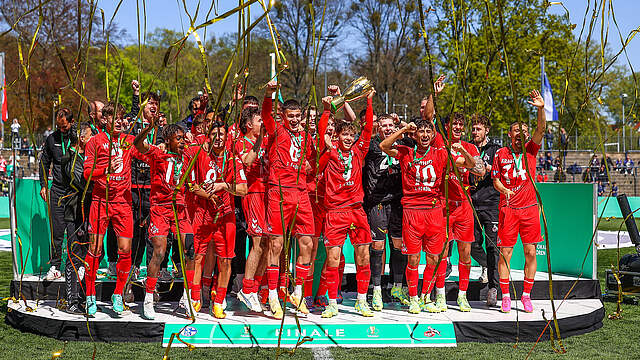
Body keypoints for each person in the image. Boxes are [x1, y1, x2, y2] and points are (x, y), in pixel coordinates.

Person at [380, 119, 453, 313]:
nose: (425, 135)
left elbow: (471, 165)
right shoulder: (406, 152)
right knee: (412, 259)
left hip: (434, 211)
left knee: (433, 258)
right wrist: (403, 129)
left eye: (429, 131)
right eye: (421, 131)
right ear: (415, 134)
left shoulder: (441, 153)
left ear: (434, 134)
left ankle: (425, 297)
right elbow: (384, 145)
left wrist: (462, 151)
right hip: (412, 212)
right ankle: (413, 298)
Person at [316, 89, 375, 318]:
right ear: (337, 137)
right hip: (335, 212)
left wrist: (369, 101)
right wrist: (327, 109)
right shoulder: (330, 153)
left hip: (356, 211)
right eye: (345, 135)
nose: (349, 139)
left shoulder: (359, 151)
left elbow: (368, 128)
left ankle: (361, 301)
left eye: (352, 135)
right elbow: (323, 131)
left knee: (363, 256)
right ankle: (332, 303)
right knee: (333, 258)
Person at [262, 80, 317, 319]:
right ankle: (273, 296)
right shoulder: (277, 130)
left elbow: (313, 163)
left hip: (301, 193)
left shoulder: (307, 137)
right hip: (279, 191)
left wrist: (309, 166)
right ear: (283, 116)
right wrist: (268, 94)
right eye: (290, 115)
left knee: (307, 243)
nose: (294, 119)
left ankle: (298, 293)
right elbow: (265, 114)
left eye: (297, 116)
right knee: (276, 245)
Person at [82, 102, 142, 316]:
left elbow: (145, 153)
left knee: (125, 250)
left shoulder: (128, 141)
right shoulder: (95, 142)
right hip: (100, 202)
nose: (118, 121)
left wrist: (158, 147)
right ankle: (90, 295)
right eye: (114, 118)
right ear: (104, 120)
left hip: (123, 203)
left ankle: (118, 294)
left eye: (121, 118)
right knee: (95, 250)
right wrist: (105, 169)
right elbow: (87, 173)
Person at [133, 119, 194, 320]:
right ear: (167, 140)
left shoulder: (187, 156)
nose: (183, 142)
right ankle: (148, 298)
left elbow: (206, 145)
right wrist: (149, 130)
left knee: (191, 250)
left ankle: (187, 298)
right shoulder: (158, 154)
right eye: (179, 139)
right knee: (159, 251)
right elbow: (137, 145)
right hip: (160, 209)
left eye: (184, 139)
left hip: (180, 209)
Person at [491, 89, 546, 313]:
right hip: (508, 209)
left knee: (531, 252)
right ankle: (505, 296)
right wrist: (503, 189)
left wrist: (541, 109)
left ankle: (525, 295)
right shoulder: (500, 153)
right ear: (510, 133)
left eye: (524, 130)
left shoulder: (531, 150)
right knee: (505, 254)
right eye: (517, 130)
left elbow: (541, 128)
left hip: (530, 209)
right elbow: (495, 180)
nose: (521, 133)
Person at [186, 121, 247, 319]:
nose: (218, 137)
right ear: (208, 137)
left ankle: (219, 302)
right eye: (214, 134)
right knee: (197, 258)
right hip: (202, 214)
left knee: (226, 260)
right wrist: (208, 195)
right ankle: (195, 299)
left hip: (226, 215)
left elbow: (243, 189)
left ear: (228, 137)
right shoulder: (200, 155)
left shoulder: (233, 160)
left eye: (222, 134)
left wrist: (223, 186)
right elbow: (191, 185)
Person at [432, 112, 483, 312]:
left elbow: (479, 170)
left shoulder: (469, 147)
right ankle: (440, 295)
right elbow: (429, 117)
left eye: (461, 124)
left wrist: (463, 152)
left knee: (465, 252)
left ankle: (462, 295)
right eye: (454, 124)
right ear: (446, 126)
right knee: (442, 252)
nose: (458, 127)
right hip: (443, 204)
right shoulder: (440, 143)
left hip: (464, 205)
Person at [362, 112, 410, 310]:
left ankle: (398, 287)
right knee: (378, 246)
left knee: (398, 245)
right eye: (384, 126)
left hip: (398, 200)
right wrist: (399, 130)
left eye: (391, 125)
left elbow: (416, 129)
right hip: (378, 201)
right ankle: (377, 290)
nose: (389, 128)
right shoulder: (372, 145)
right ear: (377, 128)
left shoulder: (404, 145)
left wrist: (401, 125)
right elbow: (383, 144)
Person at [235, 107, 268, 313]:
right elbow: (247, 161)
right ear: (249, 125)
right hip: (253, 194)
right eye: (259, 120)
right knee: (257, 242)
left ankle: (254, 288)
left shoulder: (265, 140)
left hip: (268, 193)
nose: (262, 124)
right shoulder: (240, 142)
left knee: (267, 242)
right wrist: (261, 139)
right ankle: (246, 288)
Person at [39, 108, 76, 281]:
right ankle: (55, 266)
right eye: (59, 127)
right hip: (58, 190)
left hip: (75, 191)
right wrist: (44, 185)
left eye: (65, 127)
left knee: (74, 231)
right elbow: (44, 163)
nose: (62, 130)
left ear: (72, 122)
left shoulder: (78, 137)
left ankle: (76, 265)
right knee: (57, 231)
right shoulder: (52, 138)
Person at [60, 122, 93, 314]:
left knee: (86, 256)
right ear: (81, 139)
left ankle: (81, 297)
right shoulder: (69, 160)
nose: (92, 140)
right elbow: (84, 185)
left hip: (86, 212)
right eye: (90, 136)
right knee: (74, 256)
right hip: (74, 213)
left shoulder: (83, 156)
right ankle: (71, 300)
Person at [469, 114, 501, 307]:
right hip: (470, 203)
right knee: (471, 244)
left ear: (486, 130)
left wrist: (489, 168)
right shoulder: (467, 148)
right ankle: (484, 265)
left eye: (478, 129)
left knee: (492, 248)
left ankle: (493, 288)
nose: (475, 132)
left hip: (491, 204)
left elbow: (500, 172)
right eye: (473, 129)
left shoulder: (496, 150)